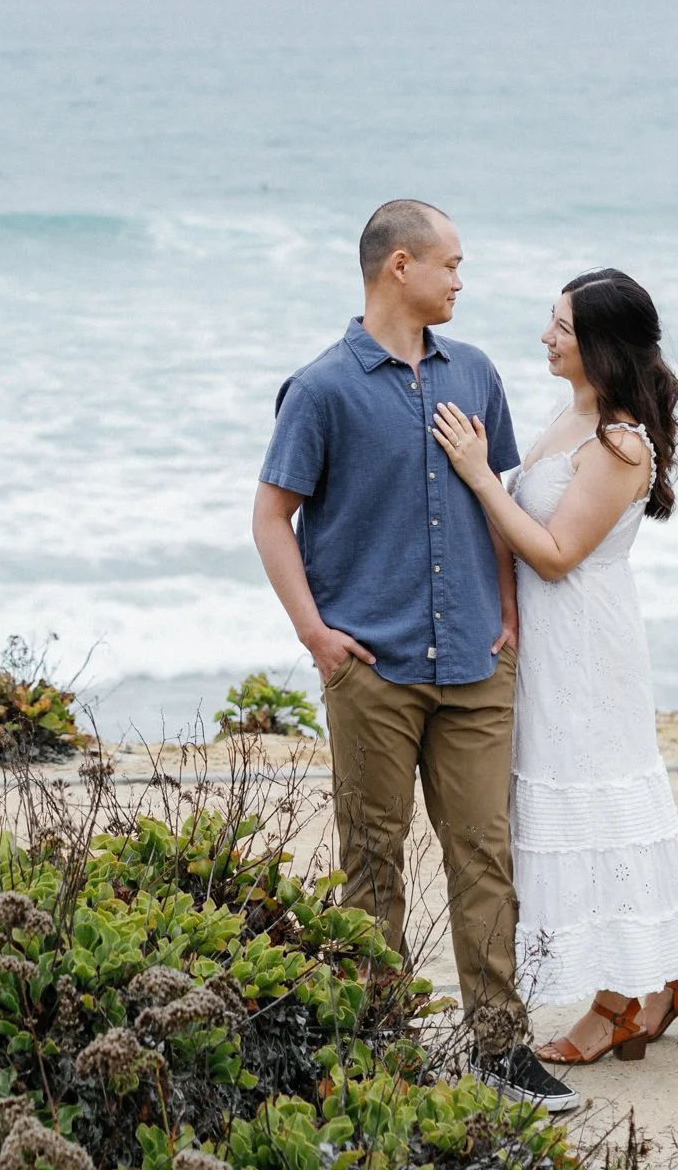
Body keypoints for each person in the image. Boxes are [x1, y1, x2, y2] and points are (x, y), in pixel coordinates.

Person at [253, 199, 579, 1113]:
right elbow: (270, 519)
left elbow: (498, 505)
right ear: (401, 266)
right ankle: (380, 1049)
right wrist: (317, 638)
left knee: (485, 855)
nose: (461, 281)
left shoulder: (474, 374)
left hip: (477, 664)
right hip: (374, 669)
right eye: (452, 265)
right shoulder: (319, 389)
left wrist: (507, 611)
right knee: (373, 861)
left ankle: (501, 1050)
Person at [430, 269, 678, 1068]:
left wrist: (481, 475)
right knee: (578, 806)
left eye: (560, 327)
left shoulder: (621, 443)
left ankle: (620, 1002)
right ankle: (669, 976)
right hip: (549, 644)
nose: (546, 338)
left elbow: (556, 555)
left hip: (587, 646)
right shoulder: (571, 415)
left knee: (596, 808)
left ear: (600, 343)